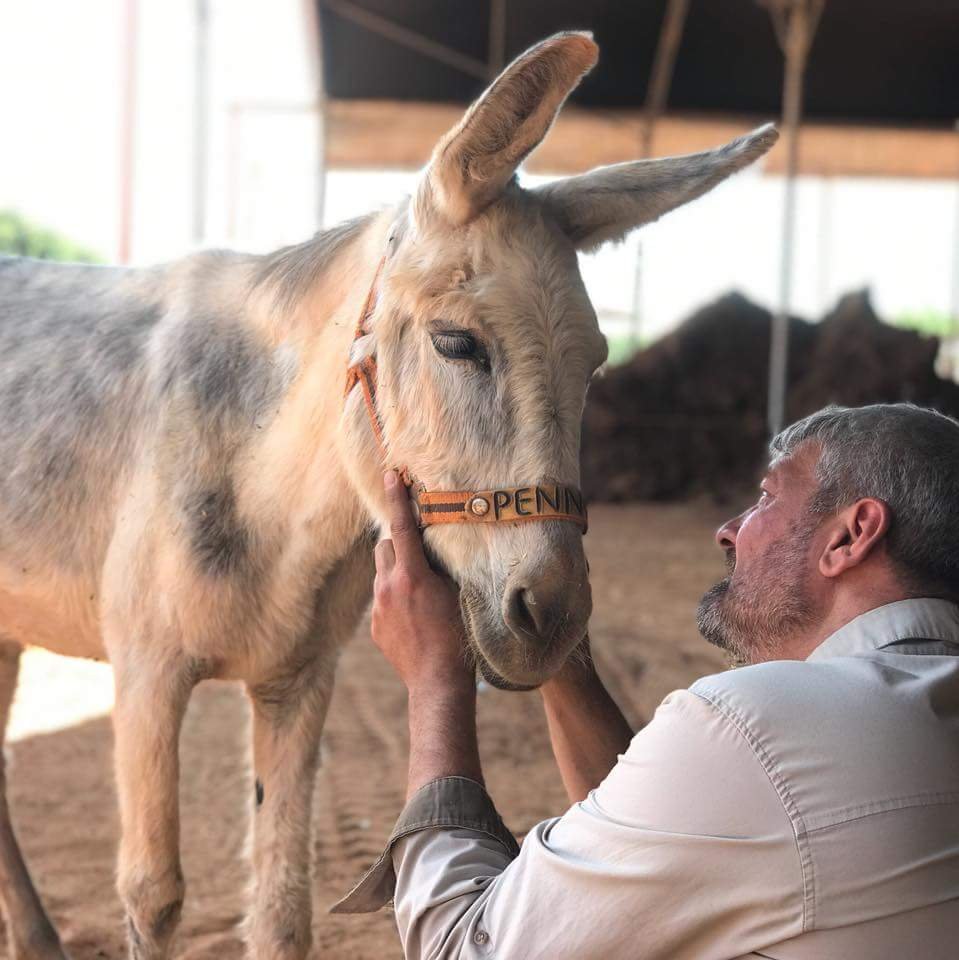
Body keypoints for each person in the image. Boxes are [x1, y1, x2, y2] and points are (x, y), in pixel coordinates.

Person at [333, 403, 959, 959]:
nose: (729, 530)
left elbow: (462, 949)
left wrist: (435, 678)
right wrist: (558, 647)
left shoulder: (754, 728)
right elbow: (664, 844)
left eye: (768, 498)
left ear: (850, 535)